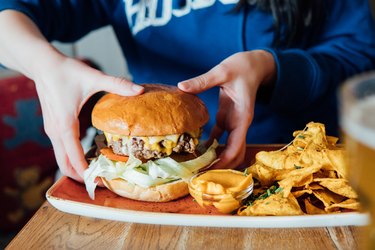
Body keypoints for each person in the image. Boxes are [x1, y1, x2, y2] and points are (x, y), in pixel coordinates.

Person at [0, 0, 374, 182]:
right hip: (159, 170)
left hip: (298, 166)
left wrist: (269, 66)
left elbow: (359, 55)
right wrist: (45, 66)